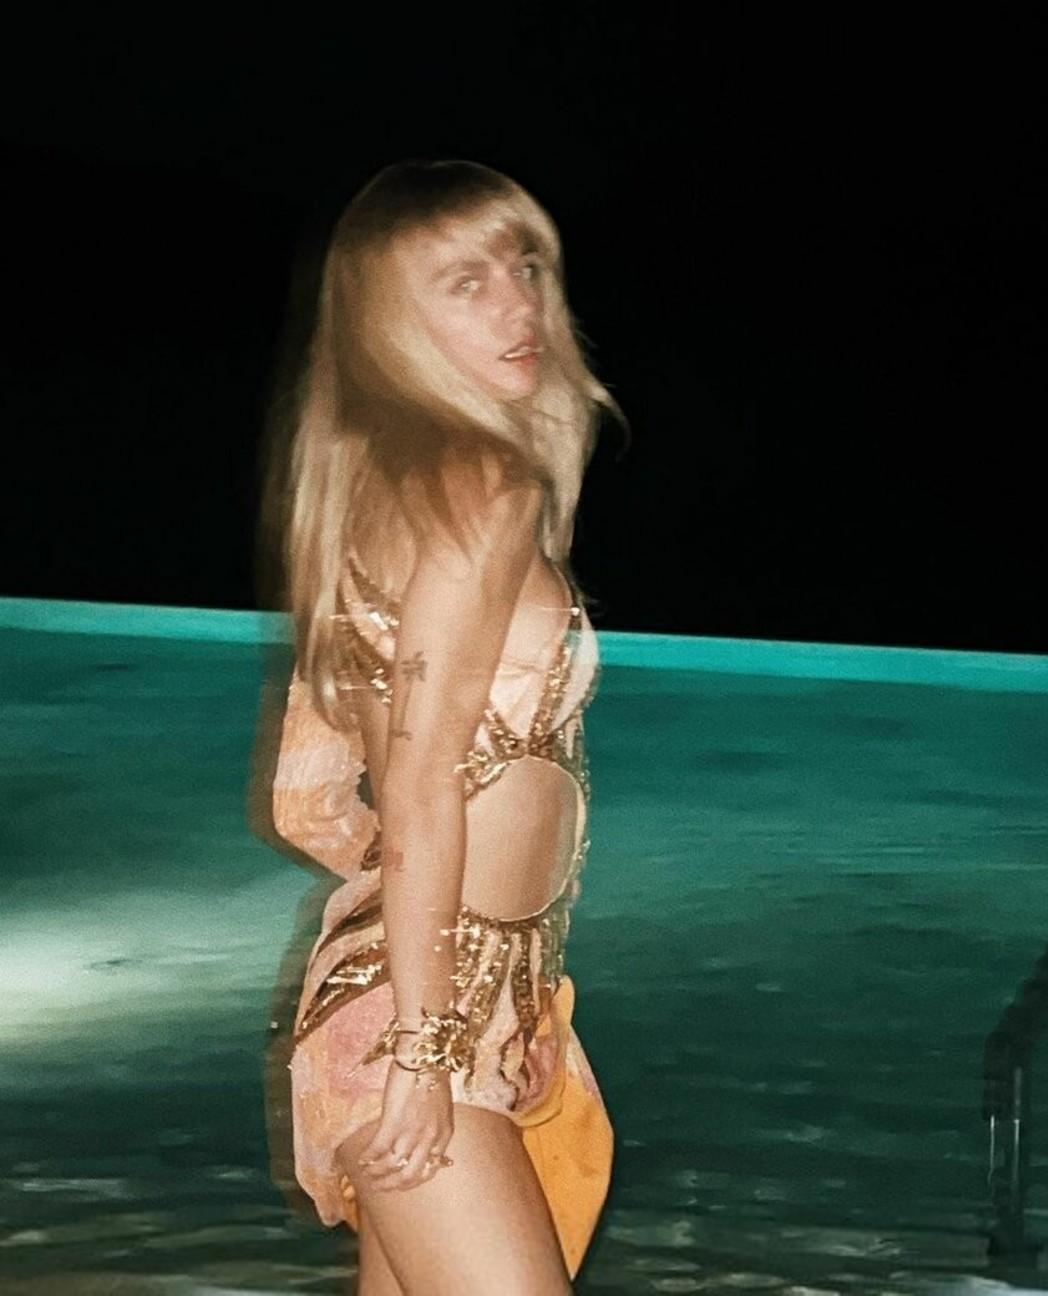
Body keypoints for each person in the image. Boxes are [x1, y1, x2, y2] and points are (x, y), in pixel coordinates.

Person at [262, 158, 629, 1294]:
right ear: (390, 323)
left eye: (524, 267)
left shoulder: (381, 491)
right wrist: (427, 1042)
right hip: (420, 1031)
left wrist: (499, 985)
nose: (518, 305)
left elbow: (306, 799)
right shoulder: (486, 491)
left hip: (443, 1006)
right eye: (465, 283)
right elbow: (421, 789)